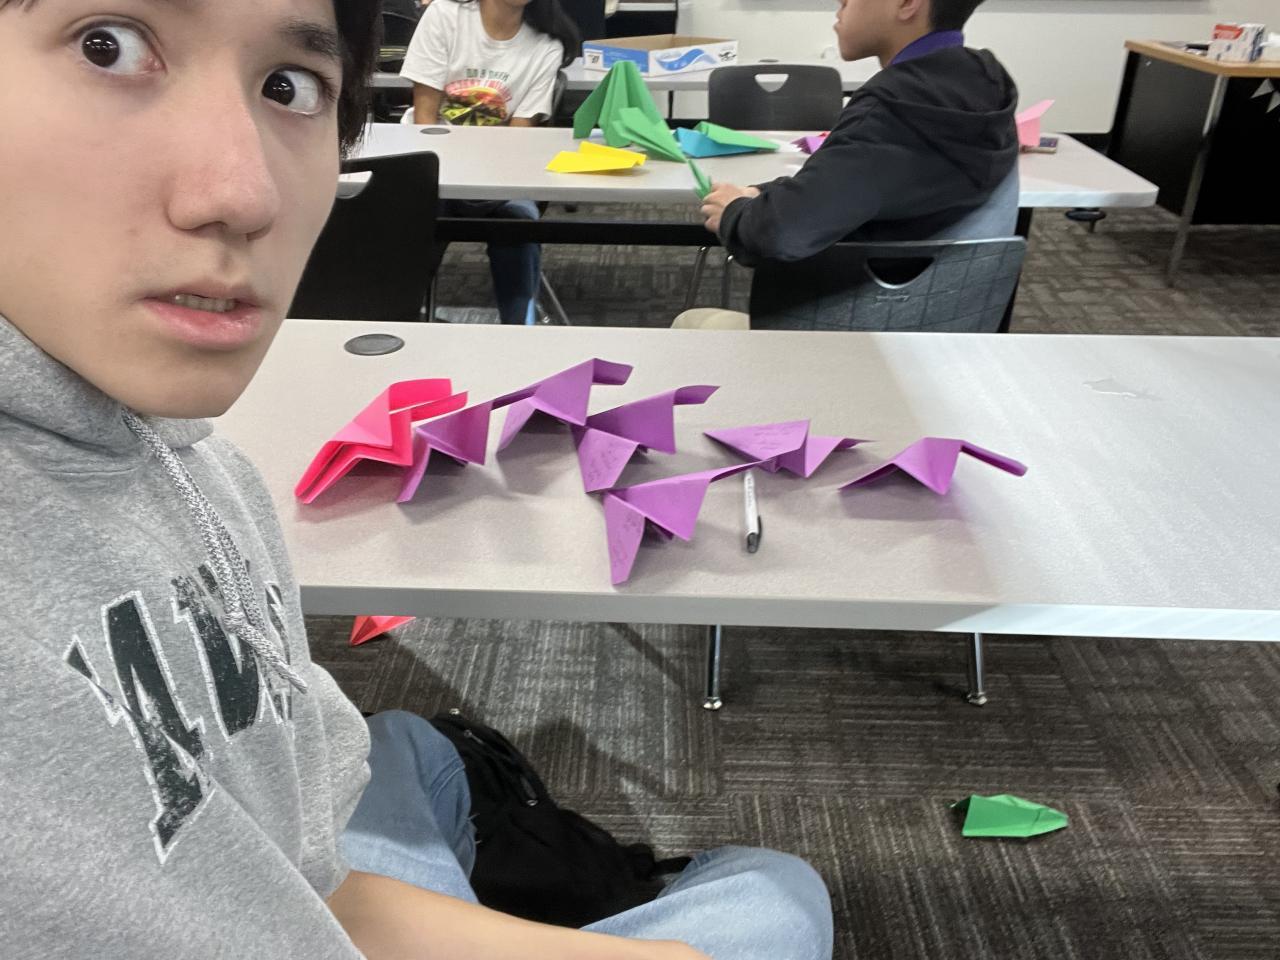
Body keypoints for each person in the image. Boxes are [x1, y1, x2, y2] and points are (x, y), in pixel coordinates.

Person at [0, 2, 832, 958]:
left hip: (308, 894)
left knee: (406, 747)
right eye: (107, 47)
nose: (244, 192)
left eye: (289, 87)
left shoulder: (205, 469)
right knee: (777, 898)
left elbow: (312, 888)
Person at [700, 0, 1019, 264]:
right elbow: (852, 181)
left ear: (907, 4)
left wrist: (734, 213)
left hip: (852, 313)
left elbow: (782, 234)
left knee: (690, 318)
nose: (841, 2)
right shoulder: (985, 81)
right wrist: (763, 195)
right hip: (945, 311)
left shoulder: (890, 109)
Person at [402, 0, 579, 324]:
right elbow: (424, 120)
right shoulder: (446, 15)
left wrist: (483, 178)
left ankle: (518, 333)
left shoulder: (546, 45)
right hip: (434, 166)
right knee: (408, 226)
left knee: (517, 223)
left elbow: (517, 139)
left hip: (500, 172)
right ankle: (399, 321)